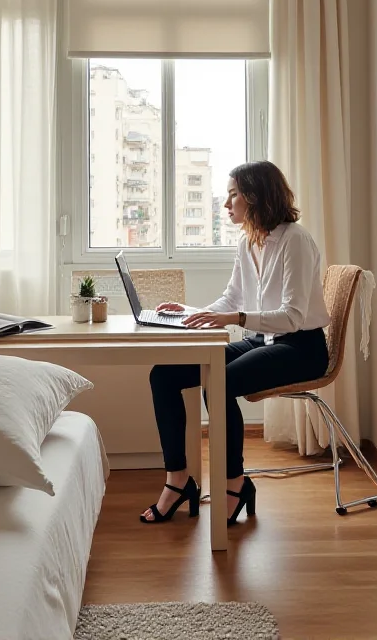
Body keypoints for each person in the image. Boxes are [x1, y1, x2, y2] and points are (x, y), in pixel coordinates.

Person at [141, 160, 331, 526]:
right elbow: (231, 300)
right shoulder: (248, 242)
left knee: (220, 381)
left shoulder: (296, 241)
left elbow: (291, 316)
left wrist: (236, 320)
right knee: (163, 374)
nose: (226, 204)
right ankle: (178, 481)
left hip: (302, 348)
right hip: (262, 340)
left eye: (233, 195)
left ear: (255, 198)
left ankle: (235, 484)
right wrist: (187, 313)